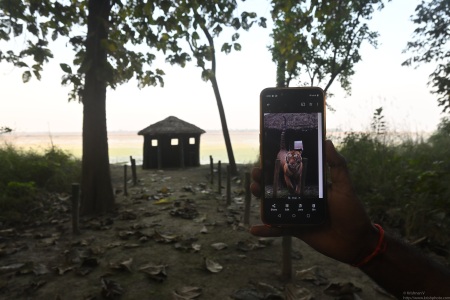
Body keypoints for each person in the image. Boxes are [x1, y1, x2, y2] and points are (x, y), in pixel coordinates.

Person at [250, 140, 450, 298]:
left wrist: (364, 246)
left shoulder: (299, 162)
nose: (293, 160)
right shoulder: (285, 161)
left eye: (295, 158)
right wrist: (365, 245)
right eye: (290, 158)